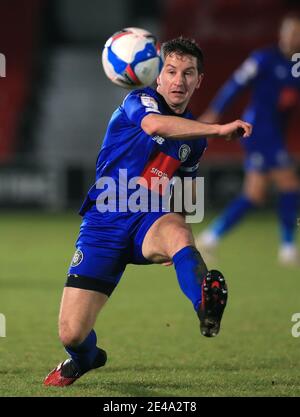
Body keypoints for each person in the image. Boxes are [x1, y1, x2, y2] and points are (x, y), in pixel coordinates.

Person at [43, 37, 252, 387]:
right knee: (72, 333)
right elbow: (156, 127)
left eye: (188, 73)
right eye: (170, 71)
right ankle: (86, 359)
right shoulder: (137, 101)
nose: (178, 81)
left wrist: (178, 243)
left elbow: (185, 191)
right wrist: (218, 129)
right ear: (157, 76)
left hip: (147, 220)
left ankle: (205, 305)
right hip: (104, 223)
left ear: (199, 80)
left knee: (179, 231)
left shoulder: (195, 139)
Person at [196, 14, 300, 266]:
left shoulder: (296, 65)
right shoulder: (263, 58)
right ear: (282, 34)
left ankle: (209, 238)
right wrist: (213, 113)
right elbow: (235, 85)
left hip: (274, 133)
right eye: (291, 32)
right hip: (258, 130)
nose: (294, 37)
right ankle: (287, 249)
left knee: (254, 194)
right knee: (290, 185)